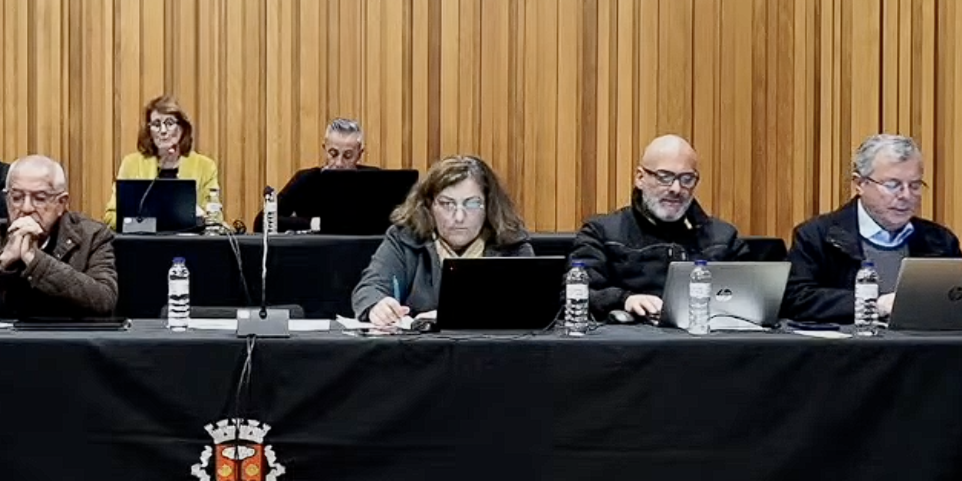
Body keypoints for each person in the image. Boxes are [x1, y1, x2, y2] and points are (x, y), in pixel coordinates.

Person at [784, 133, 962, 323]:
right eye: (893, 185)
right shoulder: (818, 236)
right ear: (860, 184)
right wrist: (873, 305)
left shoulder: (939, 240)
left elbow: (961, 298)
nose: (906, 195)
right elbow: (796, 298)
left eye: (915, 185)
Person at [569, 135, 748, 321]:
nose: (676, 189)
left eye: (687, 179)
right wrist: (623, 300)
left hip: (707, 334)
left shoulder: (723, 238)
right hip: (631, 336)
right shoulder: (602, 233)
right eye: (665, 177)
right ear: (640, 178)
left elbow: (751, 296)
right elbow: (575, 294)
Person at [352, 155, 533, 327]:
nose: (459, 217)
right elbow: (369, 288)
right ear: (429, 206)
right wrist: (378, 306)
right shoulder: (405, 238)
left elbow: (531, 306)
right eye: (447, 204)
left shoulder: (512, 245)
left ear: (488, 206)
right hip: (419, 347)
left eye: (472, 204)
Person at [0, 155, 118, 319]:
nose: (26, 208)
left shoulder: (92, 236)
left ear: (61, 203)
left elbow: (104, 301)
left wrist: (35, 260)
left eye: (39, 198)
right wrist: (1, 261)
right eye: (17, 197)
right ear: (7, 199)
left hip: (66, 344)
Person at [104, 94, 222, 227]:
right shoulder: (131, 164)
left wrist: (199, 217)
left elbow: (215, 218)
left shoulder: (205, 167)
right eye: (156, 124)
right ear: (149, 130)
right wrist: (146, 226)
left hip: (188, 239)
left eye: (169, 123)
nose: (163, 131)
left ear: (182, 128)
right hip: (143, 238)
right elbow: (111, 216)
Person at [258, 117, 379, 231]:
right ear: (324, 149)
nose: (339, 163)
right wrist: (314, 223)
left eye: (348, 156)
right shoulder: (306, 180)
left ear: (359, 154)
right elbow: (261, 222)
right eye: (333, 154)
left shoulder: (374, 180)